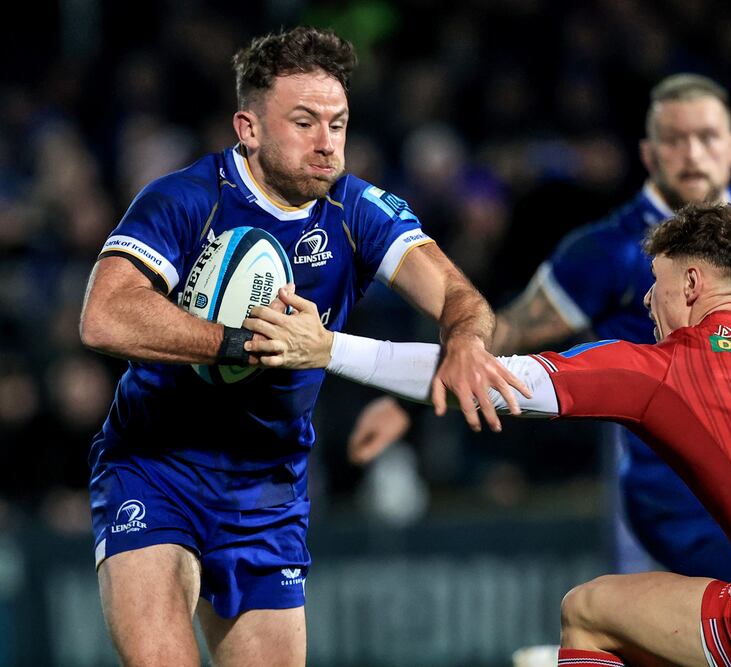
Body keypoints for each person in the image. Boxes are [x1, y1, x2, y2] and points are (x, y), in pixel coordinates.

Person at [246, 203, 731, 666]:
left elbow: (483, 376)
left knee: (592, 607)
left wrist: (328, 348)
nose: (646, 301)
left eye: (654, 284)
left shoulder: (670, 366)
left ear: (690, 285)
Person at [78, 26, 526, 667]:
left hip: (268, 490)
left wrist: (462, 342)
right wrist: (240, 344)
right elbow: (104, 315)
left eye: (338, 124)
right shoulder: (187, 199)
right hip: (156, 465)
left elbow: (463, 300)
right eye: (305, 122)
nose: (327, 144)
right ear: (249, 129)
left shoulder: (359, 211)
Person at [349, 73, 731, 581]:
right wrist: (405, 399)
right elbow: (502, 334)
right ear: (648, 153)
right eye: (675, 139)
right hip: (668, 506)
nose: (692, 154)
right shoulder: (607, 251)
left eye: (706, 138)